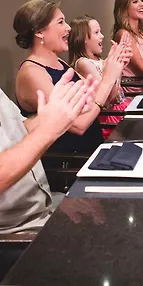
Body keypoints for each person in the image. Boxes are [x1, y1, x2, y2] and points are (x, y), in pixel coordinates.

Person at [13, 0, 129, 153]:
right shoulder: (32, 72)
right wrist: (107, 79)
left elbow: (102, 99)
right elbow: (78, 125)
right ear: (39, 32)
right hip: (72, 160)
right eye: (61, 22)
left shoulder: (59, 62)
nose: (68, 28)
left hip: (93, 149)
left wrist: (114, 68)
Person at [0, 68, 97, 233]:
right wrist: (48, 129)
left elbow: (18, 131)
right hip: (18, 231)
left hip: (47, 204)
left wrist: (60, 112)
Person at [68, 15, 132, 139]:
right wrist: (116, 66)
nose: (102, 36)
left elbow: (116, 89)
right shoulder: (83, 63)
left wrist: (119, 64)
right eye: (96, 32)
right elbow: (110, 98)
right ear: (83, 39)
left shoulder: (100, 60)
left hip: (121, 108)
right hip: (110, 117)